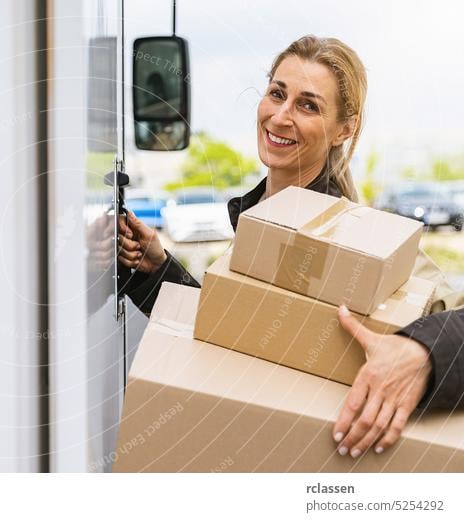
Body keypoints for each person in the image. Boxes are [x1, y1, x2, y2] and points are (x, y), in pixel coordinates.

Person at [118, 35, 464, 458]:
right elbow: (238, 330)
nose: (281, 116)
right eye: (277, 94)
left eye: (308, 105)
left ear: (345, 129)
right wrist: (157, 268)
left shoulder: (355, 239)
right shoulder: (258, 218)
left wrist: (422, 352)